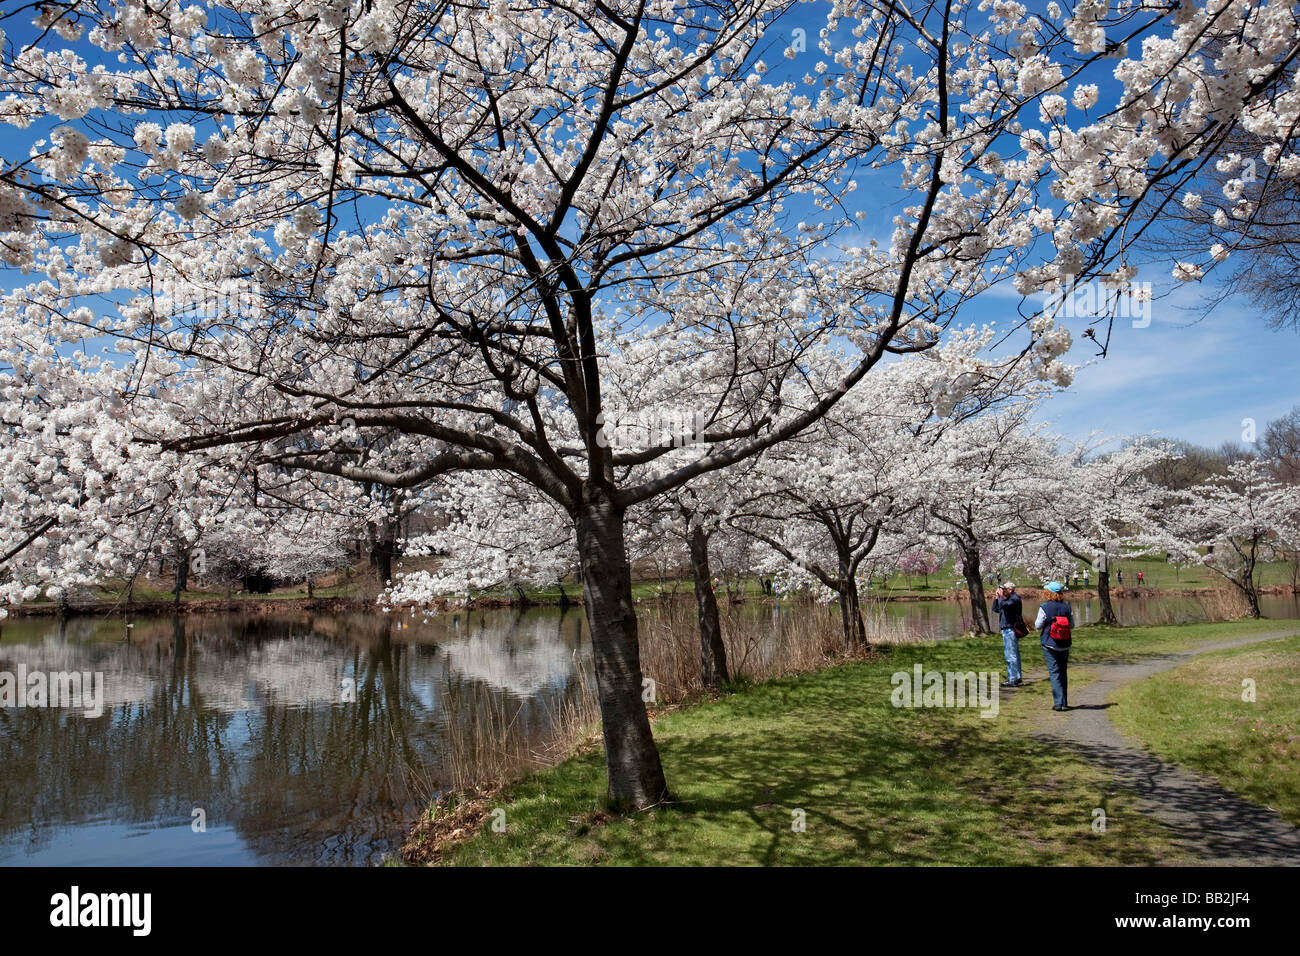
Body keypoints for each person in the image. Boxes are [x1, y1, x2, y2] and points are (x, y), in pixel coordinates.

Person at [1035, 581, 1074, 711]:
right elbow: (1072, 625)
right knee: (1063, 671)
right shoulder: (1067, 607)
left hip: (1050, 643)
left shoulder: (1045, 607)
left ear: (1049, 593)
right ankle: (1064, 701)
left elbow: (1038, 625)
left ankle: (1058, 702)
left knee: (1054, 671)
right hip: (1065, 643)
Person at [992, 583, 1026, 688]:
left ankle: (1013, 679)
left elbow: (1005, 605)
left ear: (1010, 589)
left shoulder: (1014, 599)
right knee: (1013, 653)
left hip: (1010, 629)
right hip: (1007, 628)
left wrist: (1001, 597)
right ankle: (1017, 677)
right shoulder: (1007, 599)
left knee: (1010, 654)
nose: (1003, 591)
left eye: (1004, 589)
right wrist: (997, 598)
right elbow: (996, 609)